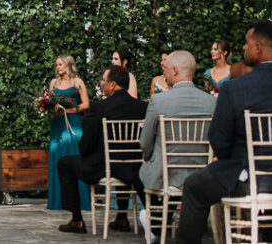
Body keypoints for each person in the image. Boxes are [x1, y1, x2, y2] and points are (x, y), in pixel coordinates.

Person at [176, 21, 272, 244]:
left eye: (246, 44)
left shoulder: (235, 89)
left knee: (193, 187)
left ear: (258, 48)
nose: (243, 49)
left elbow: (219, 141)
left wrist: (231, 160)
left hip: (251, 181)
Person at [56, 65, 147, 234]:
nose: (101, 84)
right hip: (134, 168)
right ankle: (121, 217)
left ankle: (77, 220)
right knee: (123, 161)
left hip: (103, 167)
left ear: (112, 84)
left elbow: (85, 146)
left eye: (103, 81)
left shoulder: (99, 108)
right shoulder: (142, 107)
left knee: (64, 163)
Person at [135, 51, 216, 241]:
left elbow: (144, 143)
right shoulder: (212, 103)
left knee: (144, 169)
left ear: (175, 70)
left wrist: (149, 158)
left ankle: (155, 222)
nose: (164, 75)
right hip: (201, 175)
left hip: (166, 176)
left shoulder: (158, 101)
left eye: (166, 71)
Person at [46, 54, 91, 212]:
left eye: (60, 64)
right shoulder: (54, 83)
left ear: (68, 65)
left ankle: (80, 201)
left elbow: (86, 104)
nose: (57, 67)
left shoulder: (77, 82)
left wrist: (69, 110)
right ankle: (58, 201)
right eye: (56, 64)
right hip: (58, 124)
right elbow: (50, 102)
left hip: (73, 124)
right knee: (58, 157)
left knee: (74, 156)